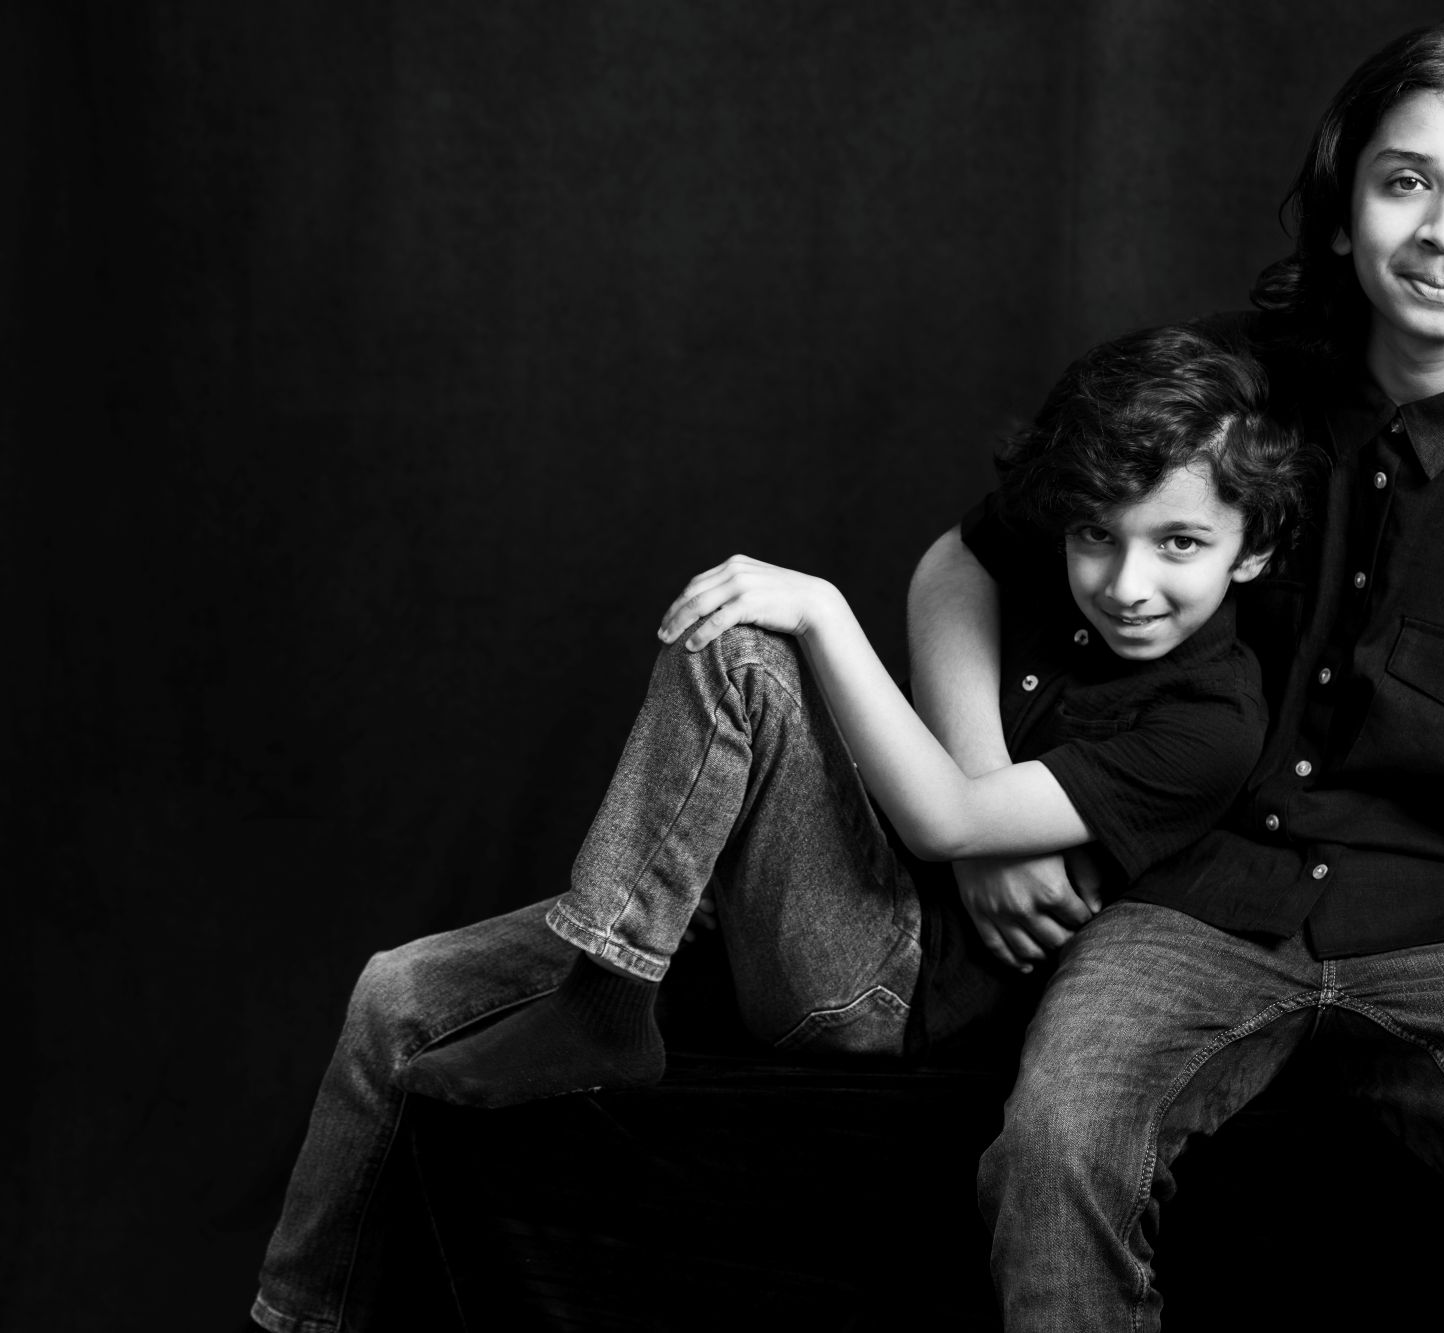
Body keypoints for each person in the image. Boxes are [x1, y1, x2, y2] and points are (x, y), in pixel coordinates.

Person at [249, 323, 1308, 1331]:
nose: (1127, 583)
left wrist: (822, 609)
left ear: (1252, 551)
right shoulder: (1063, 557)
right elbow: (957, 558)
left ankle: (608, 998)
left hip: (879, 977)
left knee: (749, 648)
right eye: (1094, 537)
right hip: (773, 902)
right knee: (396, 991)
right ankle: (295, 1315)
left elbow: (945, 821)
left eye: (1178, 544)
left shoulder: (1212, 719)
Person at [907, 19, 1444, 1332]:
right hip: (1188, 903)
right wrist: (987, 806)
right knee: (1051, 1151)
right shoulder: (1220, 396)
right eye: (1405, 180)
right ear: (1343, 214)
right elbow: (957, 569)